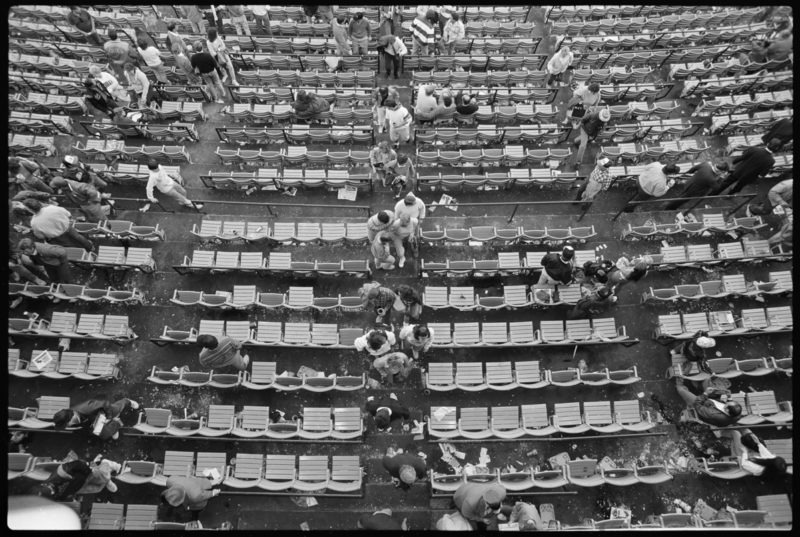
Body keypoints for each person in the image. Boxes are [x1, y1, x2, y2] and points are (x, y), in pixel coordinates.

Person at [709, 139, 779, 196]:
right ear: (776, 148)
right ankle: (729, 195)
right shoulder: (771, 161)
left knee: (726, 183)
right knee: (738, 187)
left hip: (739, 171)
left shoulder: (754, 149)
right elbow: (762, 174)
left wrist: (734, 162)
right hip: (748, 177)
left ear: (768, 144)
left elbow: (742, 157)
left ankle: (712, 194)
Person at [52, 396, 139, 440]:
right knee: (104, 434)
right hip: (96, 419)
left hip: (105, 410)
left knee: (117, 409)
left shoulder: (87, 408)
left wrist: (109, 417)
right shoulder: (71, 418)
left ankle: (127, 401)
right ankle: (114, 426)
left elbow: (105, 403)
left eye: (66, 425)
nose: (67, 426)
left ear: (70, 419)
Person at [23, 198, 94, 252]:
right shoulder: (53, 208)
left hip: (58, 238)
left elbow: (41, 236)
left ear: (30, 209)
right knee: (79, 238)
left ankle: (84, 255)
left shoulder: (34, 222)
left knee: (70, 247)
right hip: (68, 228)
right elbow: (69, 215)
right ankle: (91, 247)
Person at [673, 376, 741, 427]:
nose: (727, 402)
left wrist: (705, 394)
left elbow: (698, 406)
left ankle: (679, 384)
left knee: (681, 390)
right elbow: (730, 405)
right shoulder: (736, 414)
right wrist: (729, 397)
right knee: (708, 380)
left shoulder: (713, 414)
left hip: (699, 405)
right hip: (711, 402)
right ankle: (699, 386)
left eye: (728, 403)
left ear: (727, 410)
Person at [723, 429, 788, 478]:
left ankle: (720, 433)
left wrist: (745, 452)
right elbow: (766, 453)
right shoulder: (771, 461)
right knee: (746, 430)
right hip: (753, 454)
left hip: (743, 458)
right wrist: (758, 443)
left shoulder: (758, 469)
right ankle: (730, 425)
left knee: (735, 433)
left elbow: (744, 464)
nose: (773, 456)